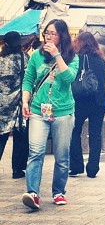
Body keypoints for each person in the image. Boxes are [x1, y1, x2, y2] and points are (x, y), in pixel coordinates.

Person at [21, 19, 79, 210]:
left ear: (62, 36)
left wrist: (57, 56)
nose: (49, 36)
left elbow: (68, 78)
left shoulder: (73, 57)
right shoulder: (36, 56)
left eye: (53, 33)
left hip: (63, 112)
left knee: (62, 155)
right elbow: (28, 79)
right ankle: (33, 193)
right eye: (47, 33)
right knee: (35, 152)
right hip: (38, 110)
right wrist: (25, 101)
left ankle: (59, 192)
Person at [69, 31, 105, 178]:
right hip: (98, 102)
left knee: (74, 132)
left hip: (79, 101)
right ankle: (93, 168)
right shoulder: (100, 61)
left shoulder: (76, 59)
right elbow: (103, 82)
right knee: (95, 135)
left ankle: (76, 165)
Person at [0, 31, 29, 178]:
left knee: (1, 136)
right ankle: (17, 169)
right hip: (19, 102)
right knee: (20, 136)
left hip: (2, 103)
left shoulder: (1, 60)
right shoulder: (24, 58)